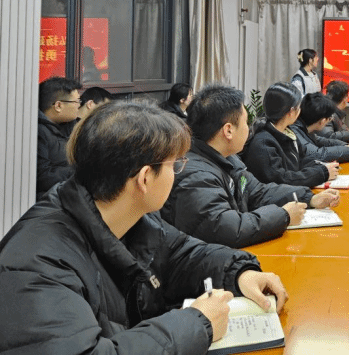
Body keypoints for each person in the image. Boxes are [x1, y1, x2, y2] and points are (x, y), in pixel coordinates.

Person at [0, 100, 288, 354]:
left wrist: (239, 273)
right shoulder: (36, 265)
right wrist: (198, 323)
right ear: (145, 178)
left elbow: (181, 254)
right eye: (174, 165)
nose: (178, 173)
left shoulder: (132, 216)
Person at [161, 85, 340, 248]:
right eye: (245, 122)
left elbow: (258, 192)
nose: (249, 128)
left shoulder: (227, 158)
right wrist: (283, 216)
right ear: (228, 130)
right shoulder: (195, 174)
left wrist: (309, 198)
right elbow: (226, 229)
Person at [242, 83, 339, 188]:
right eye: (298, 107)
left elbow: (303, 159)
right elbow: (282, 179)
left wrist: (322, 168)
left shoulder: (288, 132)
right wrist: (321, 173)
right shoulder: (263, 143)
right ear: (291, 111)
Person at [36, 76, 82, 199]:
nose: (79, 105)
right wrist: (79, 170)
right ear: (58, 106)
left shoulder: (71, 126)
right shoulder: (38, 132)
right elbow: (42, 177)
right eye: (77, 101)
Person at [291, 93, 349, 164]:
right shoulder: (295, 132)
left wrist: (345, 145)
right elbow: (319, 154)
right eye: (329, 118)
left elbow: (321, 141)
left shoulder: (303, 128)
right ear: (322, 121)